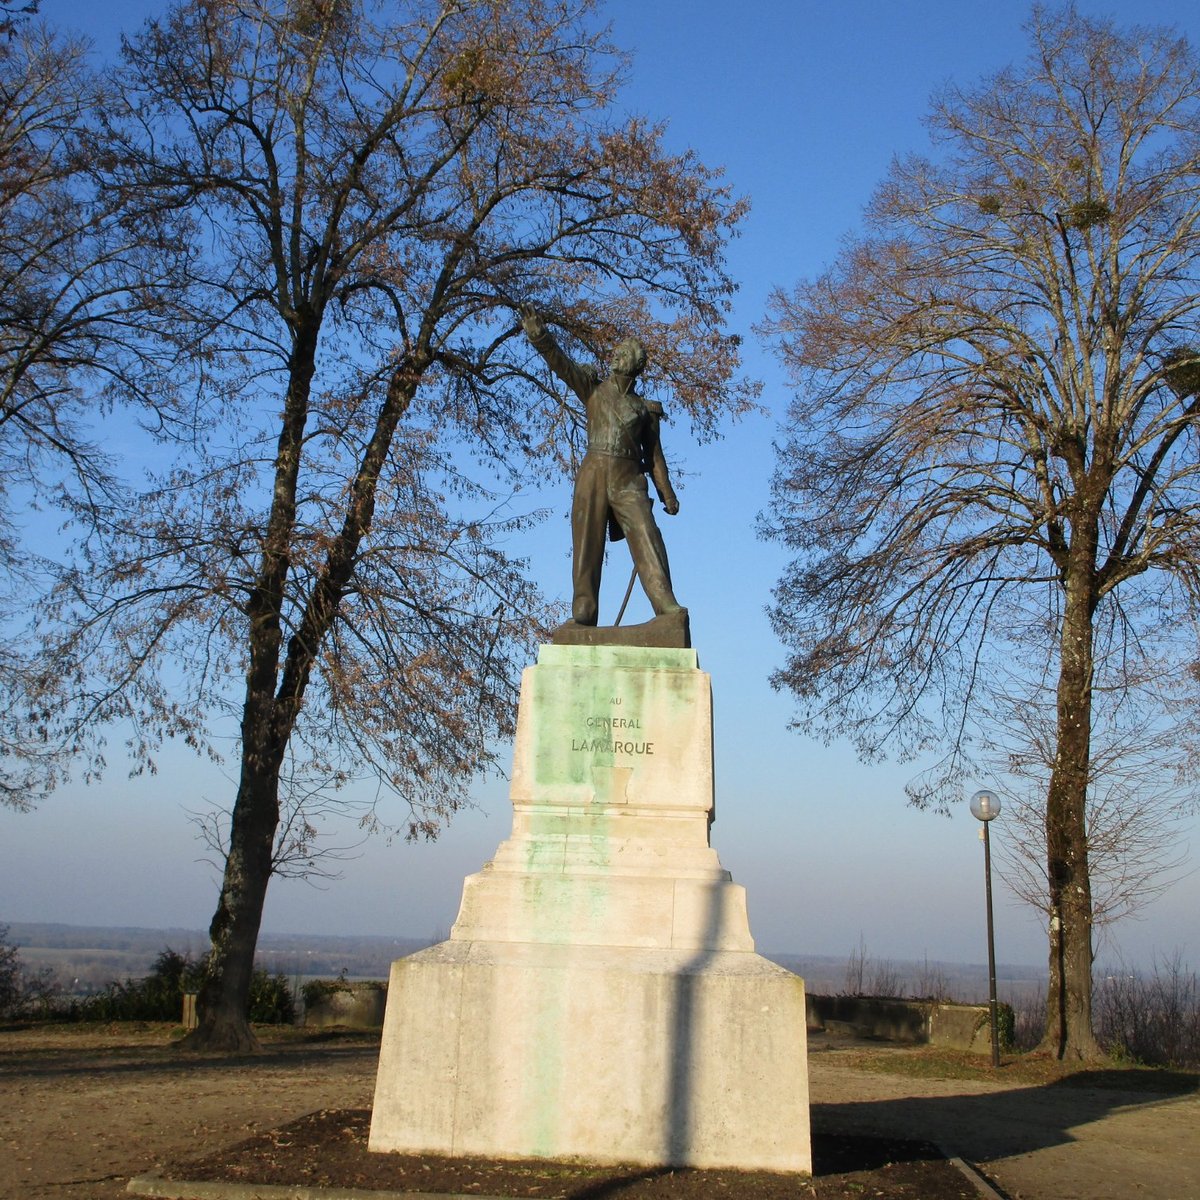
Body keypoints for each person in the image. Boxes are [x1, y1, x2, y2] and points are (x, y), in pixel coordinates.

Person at [521, 305, 685, 627]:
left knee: (646, 533)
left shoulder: (644, 409)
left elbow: (654, 456)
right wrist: (541, 338)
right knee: (586, 544)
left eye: (623, 353)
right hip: (594, 471)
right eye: (617, 352)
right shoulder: (593, 390)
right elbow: (563, 366)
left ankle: (666, 604)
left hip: (628, 478)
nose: (616, 356)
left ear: (636, 365)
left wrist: (667, 494)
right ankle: (584, 610)